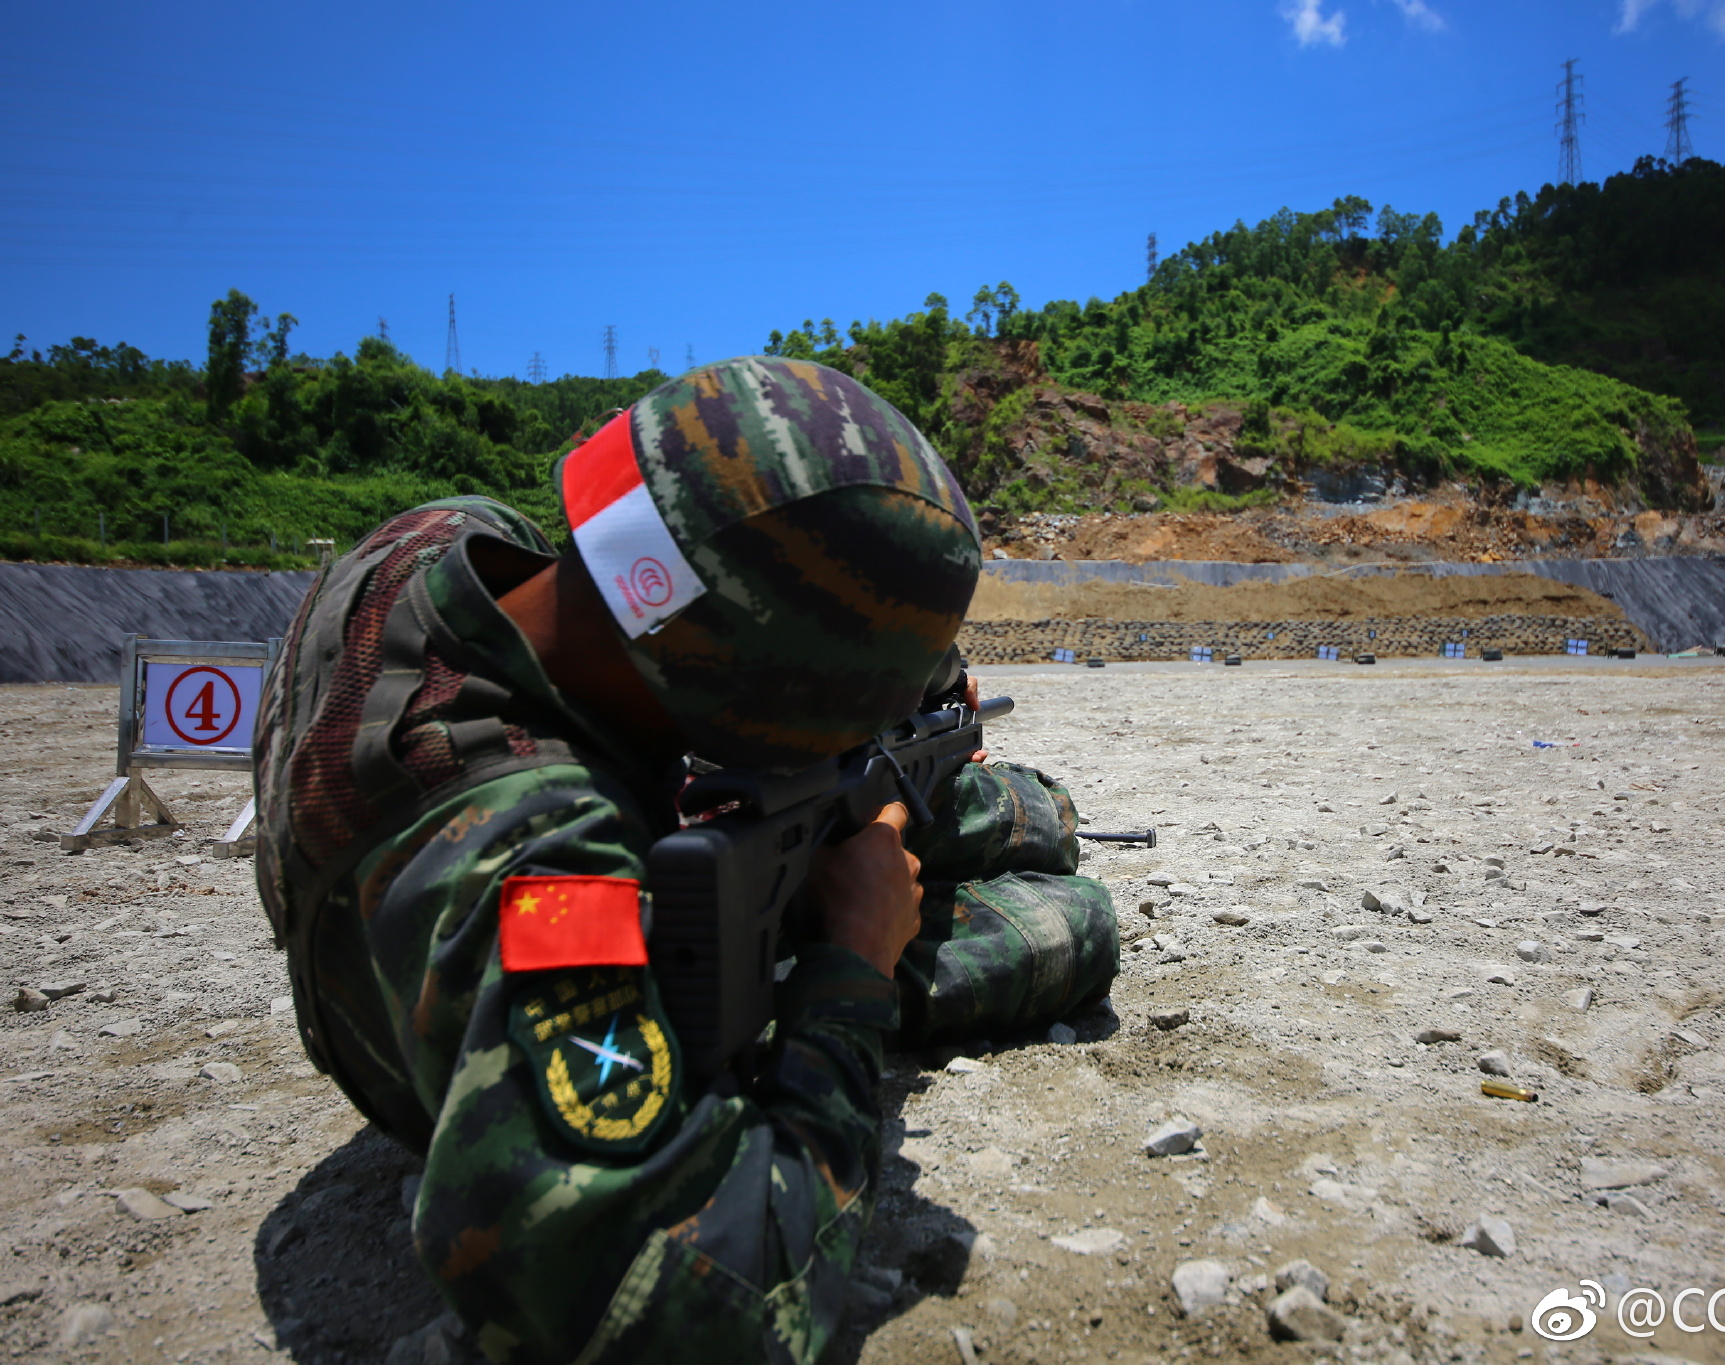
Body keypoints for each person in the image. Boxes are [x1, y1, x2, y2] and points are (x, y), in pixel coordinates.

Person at [251, 357, 1119, 1363]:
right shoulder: (549, 873)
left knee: (1011, 813)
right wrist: (851, 970)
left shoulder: (429, 542)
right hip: (645, 902)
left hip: (645, 800)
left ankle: (1005, 803)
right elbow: (703, 1314)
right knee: (1074, 915)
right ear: (750, 693)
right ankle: (998, 822)